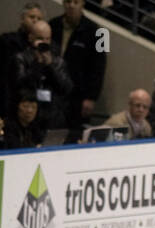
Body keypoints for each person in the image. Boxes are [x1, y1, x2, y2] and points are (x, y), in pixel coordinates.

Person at [50, 0, 105, 134]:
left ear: (83, 4)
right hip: (54, 89)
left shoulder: (99, 32)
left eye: (76, 2)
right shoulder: (52, 24)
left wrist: (91, 97)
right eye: (68, 2)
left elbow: (100, 66)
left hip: (79, 94)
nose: (71, 5)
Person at [14, 20, 74, 130]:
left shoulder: (57, 61)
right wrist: (36, 64)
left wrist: (50, 66)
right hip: (29, 115)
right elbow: (20, 85)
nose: (44, 43)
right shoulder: (21, 58)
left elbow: (66, 88)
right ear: (30, 38)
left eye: (47, 39)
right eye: (40, 38)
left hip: (53, 115)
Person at [0, 3, 42, 118]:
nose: (35, 21)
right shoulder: (9, 40)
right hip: (9, 96)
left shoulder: (44, 47)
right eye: (32, 17)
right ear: (22, 19)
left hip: (33, 102)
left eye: (39, 18)